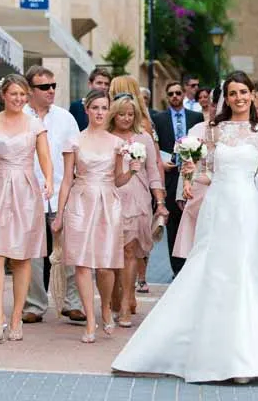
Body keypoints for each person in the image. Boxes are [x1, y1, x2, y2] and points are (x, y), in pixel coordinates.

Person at [112, 71, 258, 383]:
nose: (239, 98)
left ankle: (245, 357)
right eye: (233, 93)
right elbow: (206, 170)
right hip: (218, 205)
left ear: (251, 94)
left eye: (243, 92)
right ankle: (192, 350)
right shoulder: (214, 130)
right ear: (226, 97)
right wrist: (190, 175)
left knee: (246, 273)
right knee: (211, 271)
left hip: (247, 207)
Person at [0, 74, 53, 343]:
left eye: (22, 94)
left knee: (21, 256)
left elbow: (44, 157)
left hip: (24, 189)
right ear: (4, 95)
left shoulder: (35, 124)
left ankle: (17, 317)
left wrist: (50, 182)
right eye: (13, 94)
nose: (18, 99)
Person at [52, 90, 134, 343]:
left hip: (108, 202)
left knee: (106, 265)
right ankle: (89, 319)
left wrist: (133, 171)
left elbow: (119, 180)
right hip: (80, 200)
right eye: (95, 107)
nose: (100, 112)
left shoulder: (117, 144)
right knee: (82, 263)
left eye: (104, 107)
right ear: (86, 109)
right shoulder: (74, 141)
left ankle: (106, 306)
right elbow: (66, 180)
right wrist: (59, 214)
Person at [22, 66, 85, 325]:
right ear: (29, 90)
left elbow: (75, 156)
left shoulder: (66, 118)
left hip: (62, 191)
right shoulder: (20, 117)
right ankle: (34, 305)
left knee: (70, 250)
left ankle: (74, 303)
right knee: (33, 253)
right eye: (44, 87)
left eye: (53, 86)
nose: (51, 91)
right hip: (28, 193)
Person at [108, 94, 167, 327]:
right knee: (112, 253)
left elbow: (153, 171)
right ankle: (115, 296)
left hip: (138, 199)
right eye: (121, 114)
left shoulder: (144, 139)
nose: (125, 118)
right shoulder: (106, 138)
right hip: (110, 198)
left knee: (131, 251)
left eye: (130, 114)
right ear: (114, 115)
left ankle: (125, 302)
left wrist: (160, 202)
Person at [151, 81, 204, 276]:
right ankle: (177, 268)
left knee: (193, 221)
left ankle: (193, 264)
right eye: (171, 93)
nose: (175, 96)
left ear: (184, 95)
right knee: (173, 224)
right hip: (171, 176)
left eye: (178, 93)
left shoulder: (196, 117)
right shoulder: (159, 118)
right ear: (167, 96)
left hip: (194, 177)